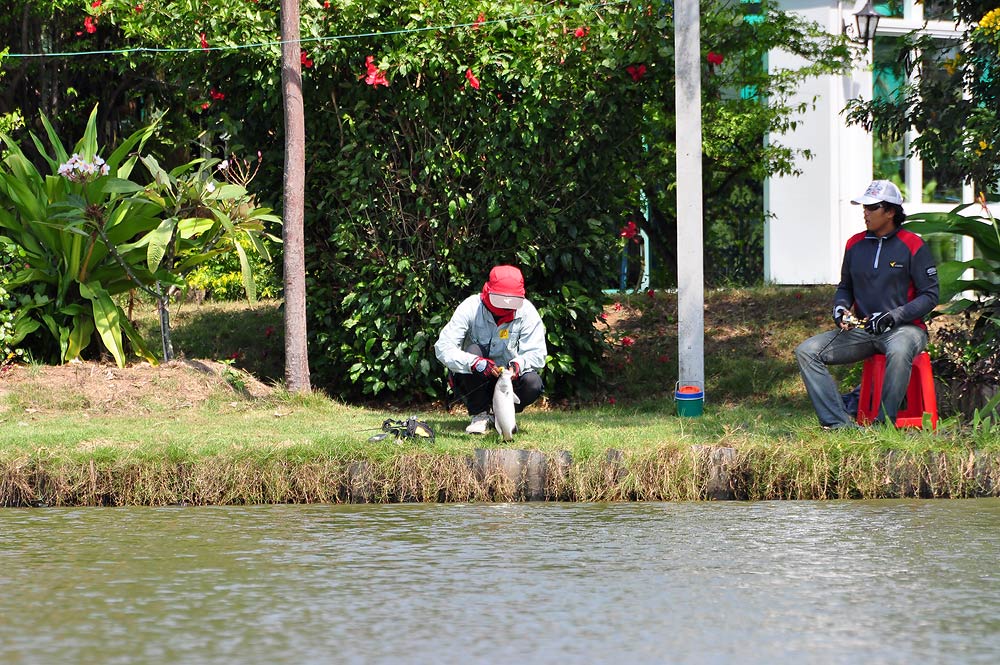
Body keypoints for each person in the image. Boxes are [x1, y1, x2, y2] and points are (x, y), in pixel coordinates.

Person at [795, 180, 939, 429]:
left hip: (906, 330)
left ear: (891, 211)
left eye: (872, 208)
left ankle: (882, 427)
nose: (865, 212)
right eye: (864, 207)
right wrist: (840, 308)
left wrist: (894, 316)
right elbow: (845, 287)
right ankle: (839, 425)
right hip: (863, 330)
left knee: (900, 348)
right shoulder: (854, 244)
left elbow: (930, 296)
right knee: (807, 351)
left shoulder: (913, 245)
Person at [434, 265, 547, 434]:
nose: (506, 307)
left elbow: (537, 354)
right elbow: (443, 348)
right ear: (487, 291)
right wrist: (474, 363)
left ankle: (500, 417)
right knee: (473, 351)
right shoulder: (470, 307)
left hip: (508, 381)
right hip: (475, 378)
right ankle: (479, 414)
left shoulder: (528, 311)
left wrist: (517, 365)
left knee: (533, 383)